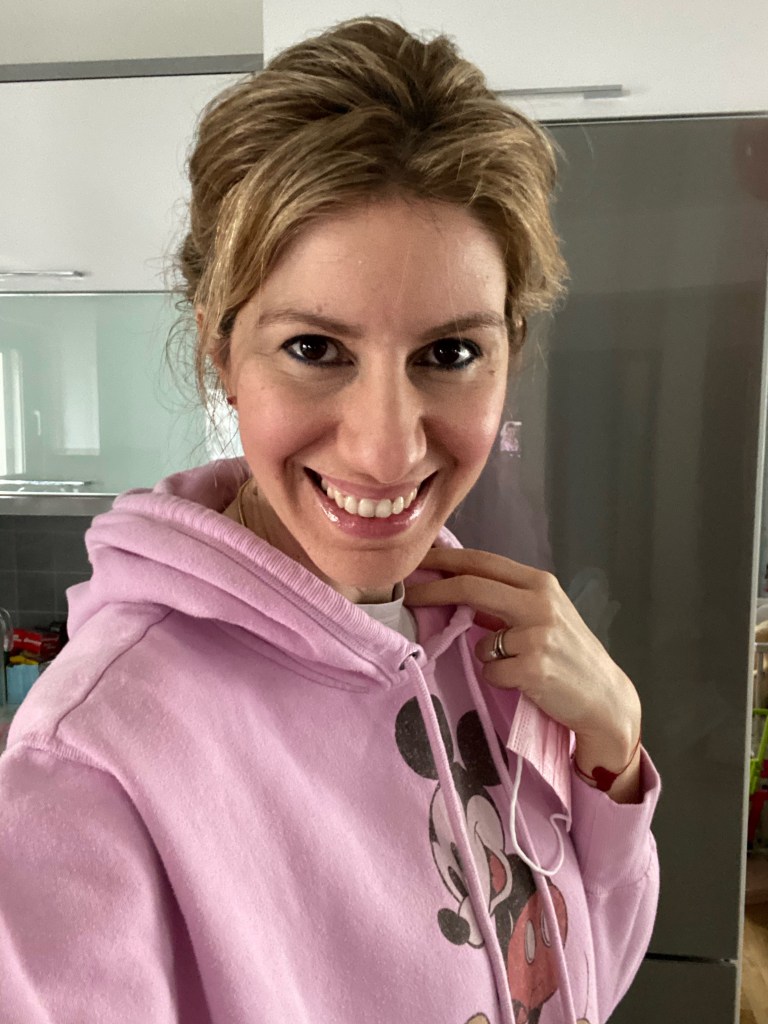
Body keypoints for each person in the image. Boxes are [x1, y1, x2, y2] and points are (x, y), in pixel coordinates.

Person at [0, 17, 659, 1024]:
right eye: (315, 348)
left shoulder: (484, 643)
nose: (387, 450)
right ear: (221, 351)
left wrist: (611, 750)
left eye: (450, 353)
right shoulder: (88, 765)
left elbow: (578, 985)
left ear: (509, 349)